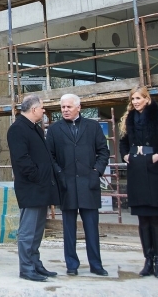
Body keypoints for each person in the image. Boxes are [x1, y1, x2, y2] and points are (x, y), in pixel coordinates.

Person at [46, 93, 110, 277]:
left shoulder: (93, 127)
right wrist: (59, 174)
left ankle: (96, 265)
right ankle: (71, 264)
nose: (65, 110)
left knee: (91, 228)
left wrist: (96, 172)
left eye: (69, 107)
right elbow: (49, 156)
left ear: (78, 107)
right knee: (68, 229)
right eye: (63, 107)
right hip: (66, 185)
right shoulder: (54, 129)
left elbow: (103, 152)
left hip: (89, 184)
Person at [118, 86, 158, 278]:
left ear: (147, 99)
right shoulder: (129, 118)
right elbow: (123, 142)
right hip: (136, 169)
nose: (135, 102)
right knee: (142, 218)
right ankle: (148, 260)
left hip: (154, 168)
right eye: (133, 99)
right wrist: (125, 155)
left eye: (138, 98)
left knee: (155, 218)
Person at [7, 94, 61, 281]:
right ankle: (26, 268)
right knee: (28, 231)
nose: (44, 110)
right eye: (42, 107)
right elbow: (22, 160)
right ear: (34, 109)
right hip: (30, 188)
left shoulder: (34, 128)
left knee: (37, 230)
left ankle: (36, 264)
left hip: (41, 187)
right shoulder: (17, 129)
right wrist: (38, 177)